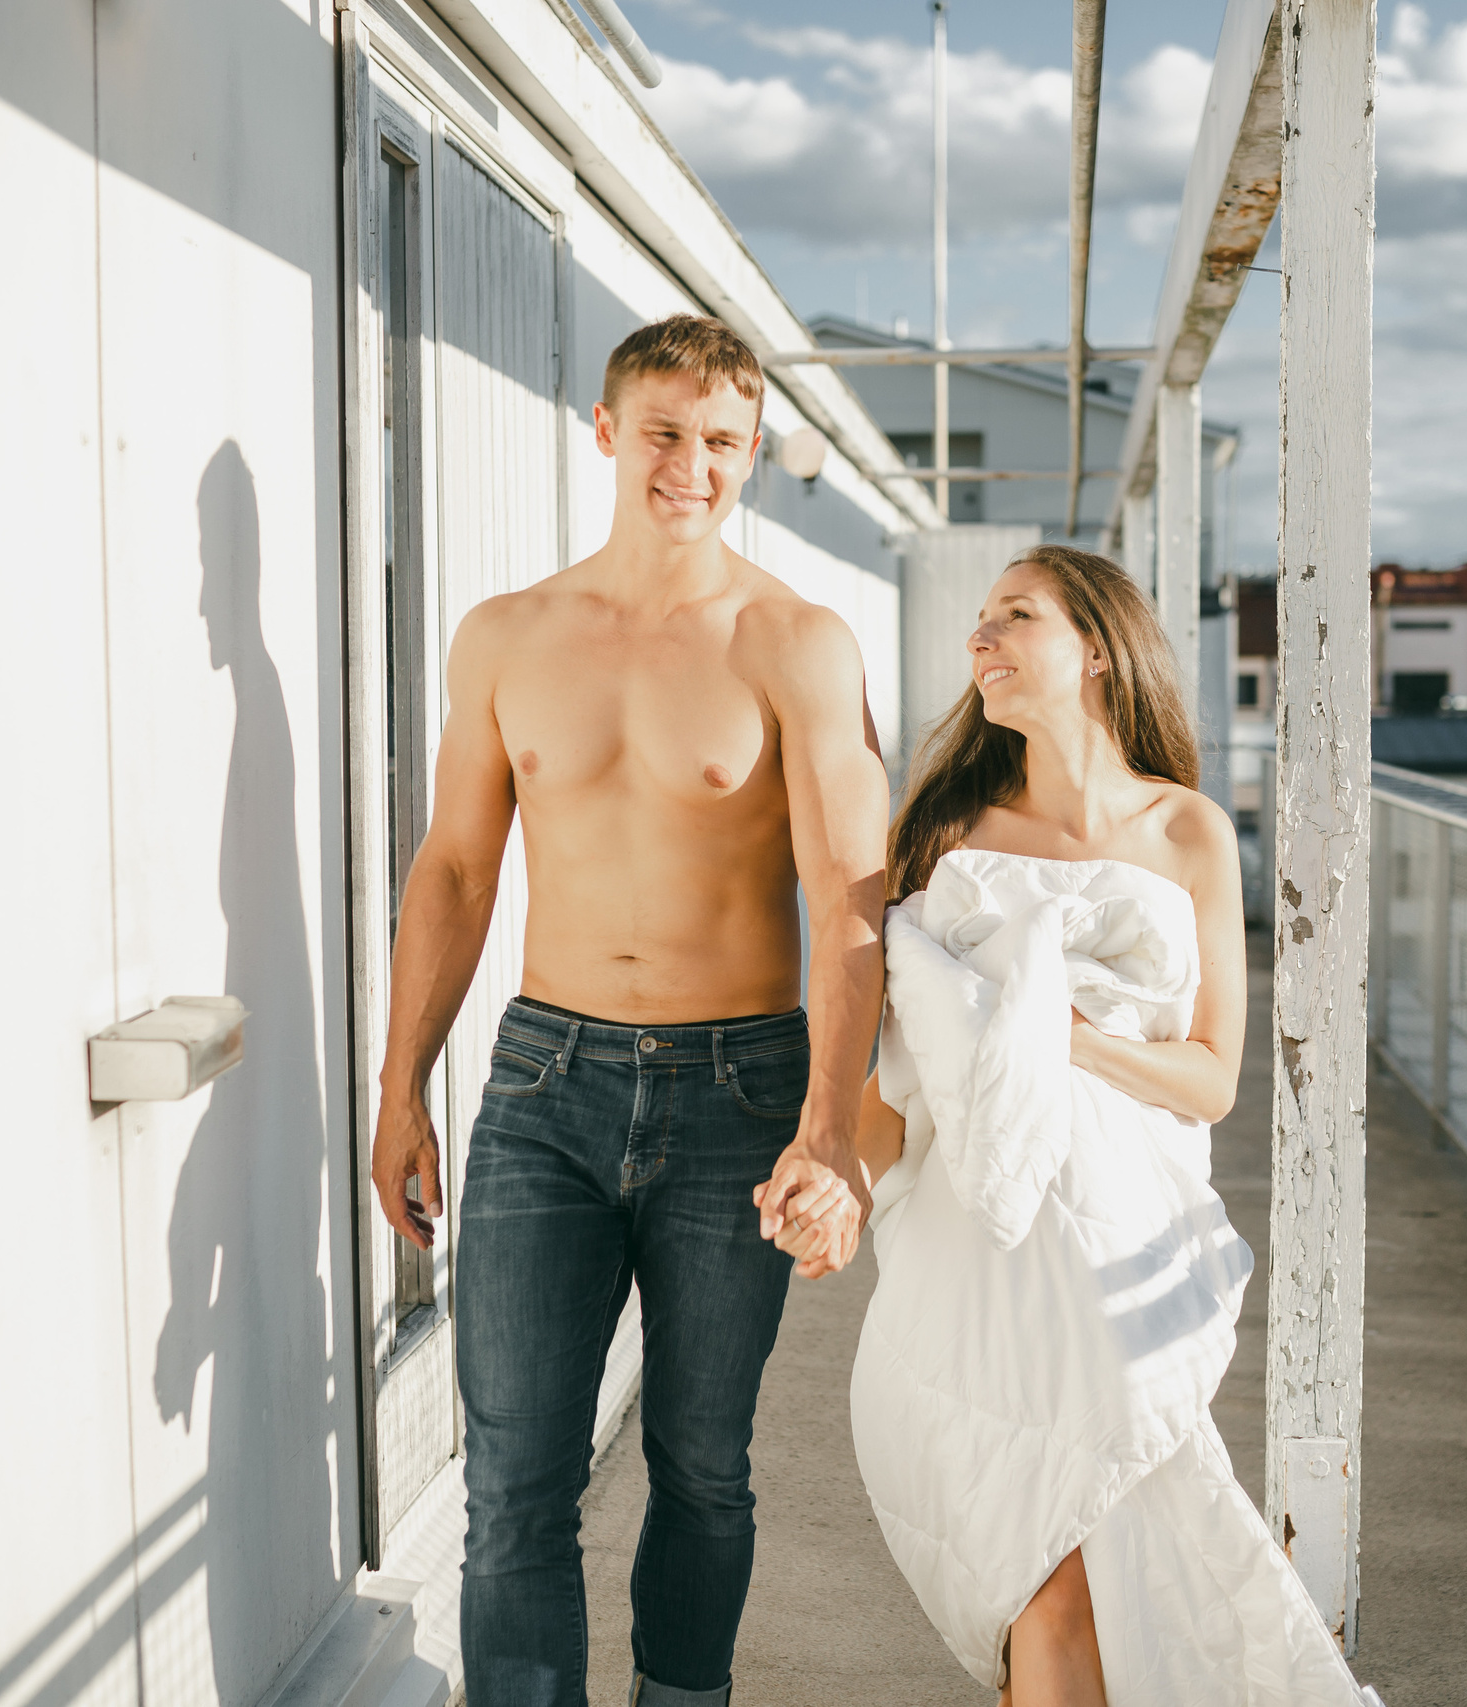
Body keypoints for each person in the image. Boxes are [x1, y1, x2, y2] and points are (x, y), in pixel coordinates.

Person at [369, 313, 888, 1707]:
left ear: (754, 452)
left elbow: (850, 893)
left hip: (742, 1088)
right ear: (606, 431)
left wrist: (831, 1125)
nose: (691, 465)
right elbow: (458, 865)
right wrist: (401, 1084)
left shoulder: (798, 644)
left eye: (722, 440)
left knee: (702, 1458)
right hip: (548, 1081)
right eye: (665, 431)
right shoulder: (508, 636)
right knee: (514, 1475)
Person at [773, 546, 1367, 1706]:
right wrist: (834, 1177)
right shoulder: (944, 834)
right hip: (972, 1261)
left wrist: (1055, 1034)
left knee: (1091, 1575)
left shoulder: (1188, 831)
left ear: (1094, 646)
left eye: (1014, 616)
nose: (980, 637)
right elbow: (904, 1084)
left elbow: (1209, 1080)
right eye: (980, 620)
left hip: (1114, 1248)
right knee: (1035, 1583)